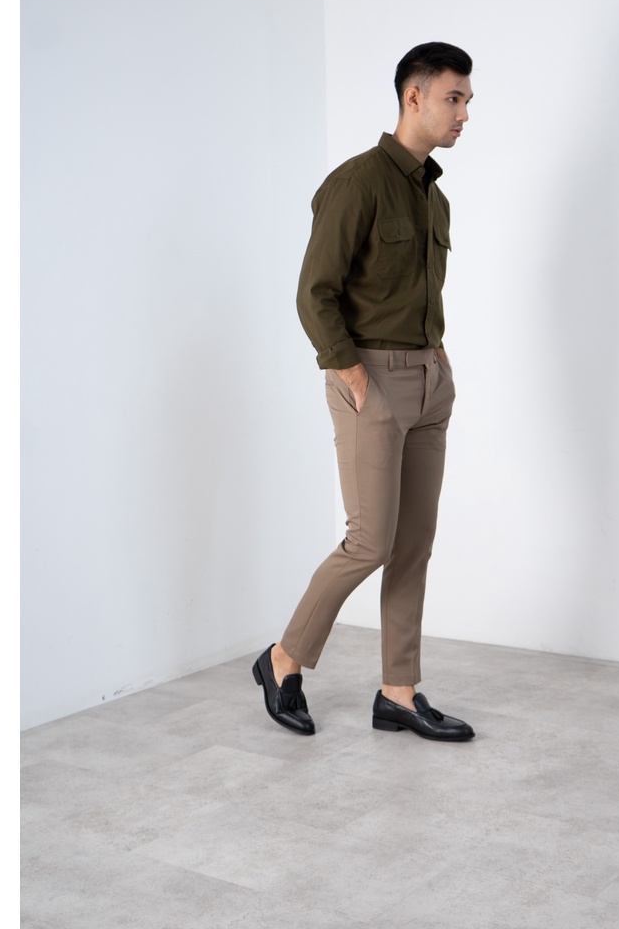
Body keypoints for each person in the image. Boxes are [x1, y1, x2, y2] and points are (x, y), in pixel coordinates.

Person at [252, 42, 476, 742]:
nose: (464, 113)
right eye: (454, 98)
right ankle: (283, 658)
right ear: (414, 96)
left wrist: (438, 362)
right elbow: (313, 292)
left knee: (413, 545)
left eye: (467, 101)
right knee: (369, 541)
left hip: (429, 383)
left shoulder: (434, 197)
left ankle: (398, 692)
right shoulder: (357, 183)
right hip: (371, 379)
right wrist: (352, 374)